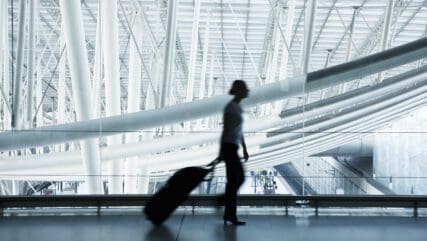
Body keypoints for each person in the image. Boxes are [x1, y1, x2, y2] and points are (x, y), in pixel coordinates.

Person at [219, 80, 250, 225]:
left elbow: (239, 130)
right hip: (229, 147)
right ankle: (230, 214)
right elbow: (225, 130)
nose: (247, 91)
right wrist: (222, 151)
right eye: (244, 88)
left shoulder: (238, 107)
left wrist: (244, 148)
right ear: (237, 90)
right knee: (235, 180)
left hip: (234, 147)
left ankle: (227, 208)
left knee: (236, 180)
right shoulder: (230, 107)